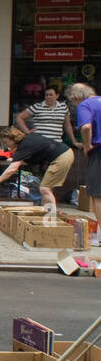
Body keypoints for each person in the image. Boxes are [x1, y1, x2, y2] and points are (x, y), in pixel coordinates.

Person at [0, 127, 74, 218]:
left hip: (61, 157)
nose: (7, 146)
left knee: (45, 189)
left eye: (7, 142)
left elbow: (12, 169)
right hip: (64, 153)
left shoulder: (24, 145)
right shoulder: (27, 139)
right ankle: (45, 214)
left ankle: (52, 217)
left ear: (13, 138)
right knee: (46, 189)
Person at [70, 83, 101, 242]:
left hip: (99, 151)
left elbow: (86, 127)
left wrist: (87, 145)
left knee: (98, 194)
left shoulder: (85, 104)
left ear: (76, 97)